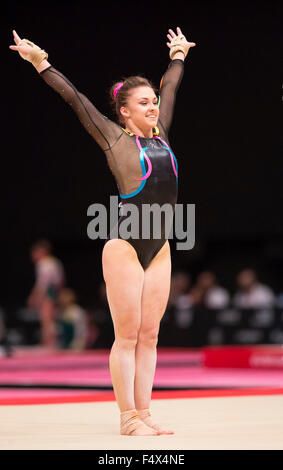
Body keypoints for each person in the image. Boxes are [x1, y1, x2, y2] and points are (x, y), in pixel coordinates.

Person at [9, 27, 196, 435]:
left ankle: (144, 412)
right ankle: (127, 418)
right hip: (125, 247)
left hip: (159, 246)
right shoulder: (115, 141)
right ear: (125, 111)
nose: (153, 106)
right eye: (144, 103)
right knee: (127, 336)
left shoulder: (161, 134)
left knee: (150, 335)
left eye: (154, 101)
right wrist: (41, 62)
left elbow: (173, 87)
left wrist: (178, 55)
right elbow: (76, 102)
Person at [27, 239, 65, 348]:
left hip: (48, 290)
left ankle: (49, 343)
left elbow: (42, 282)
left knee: (46, 317)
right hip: (55, 290)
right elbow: (61, 280)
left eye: (35, 252)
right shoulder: (54, 262)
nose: (33, 255)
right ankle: (51, 342)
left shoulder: (44, 263)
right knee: (51, 317)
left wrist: (36, 296)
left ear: (41, 251)